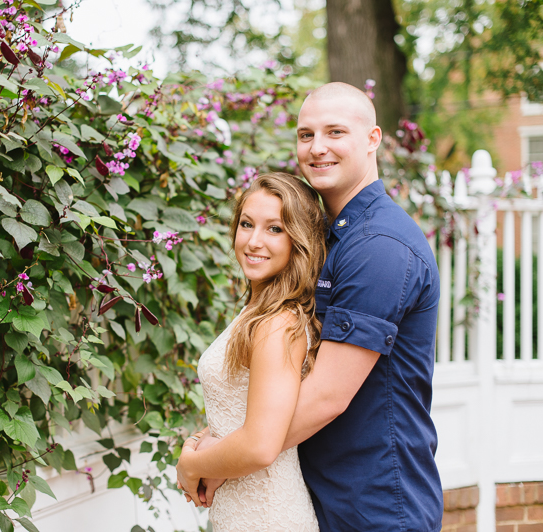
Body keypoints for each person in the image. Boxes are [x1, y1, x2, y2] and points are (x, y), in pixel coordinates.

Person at [177, 82, 444, 532]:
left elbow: (325, 397)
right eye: (305, 135)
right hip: (323, 495)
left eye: (335, 132)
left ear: (372, 139)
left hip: (375, 503)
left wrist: (220, 461)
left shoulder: (379, 245)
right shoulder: (331, 239)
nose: (317, 148)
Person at [176, 172, 327, 531]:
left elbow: (260, 445)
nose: (254, 241)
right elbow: (247, 410)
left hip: (266, 515)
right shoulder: (259, 311)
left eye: (275, 229)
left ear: (299, 239)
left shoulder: (278, 324)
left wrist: (192, 465)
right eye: (246, 224)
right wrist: (203, 440)